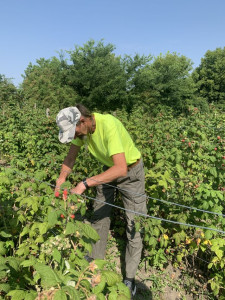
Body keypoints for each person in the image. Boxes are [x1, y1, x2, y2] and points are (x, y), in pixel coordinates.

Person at [55, 104, 147, 299]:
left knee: (134, 224)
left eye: (74, 132)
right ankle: (95, 265)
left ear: (83, 121)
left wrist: (84, 184)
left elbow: (121, 168)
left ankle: (129, 279)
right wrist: (62, 178)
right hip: (108, 171)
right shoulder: (83, 131)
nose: (74, 136)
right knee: (99, 216)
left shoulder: (108, 124)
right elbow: (70, 157)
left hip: (130, 172)